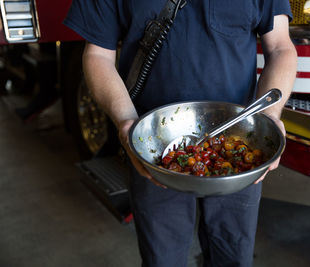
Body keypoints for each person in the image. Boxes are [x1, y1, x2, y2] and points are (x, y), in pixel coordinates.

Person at [64, 0, 297, 266]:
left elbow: (280, 48)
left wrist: (269, 115)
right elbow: (97, 56)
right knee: (162, 259)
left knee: (233, 257)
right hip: (153, 149)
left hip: (239, 144)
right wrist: (126, 122)